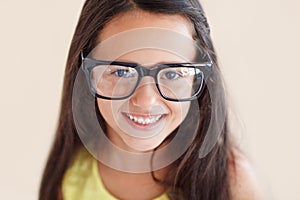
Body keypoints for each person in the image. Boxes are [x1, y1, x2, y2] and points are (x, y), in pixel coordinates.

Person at [39, 0, 263, 199]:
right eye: (121, 72)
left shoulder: (231, 182)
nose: (146, 101)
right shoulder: (71, 177)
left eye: (172, 74)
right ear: (85, 73)